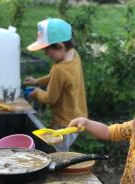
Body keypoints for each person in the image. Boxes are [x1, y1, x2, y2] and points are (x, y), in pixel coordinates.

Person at [23, 17, 88, 152]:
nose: (45, 53)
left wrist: (36, 92)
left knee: (57, 154)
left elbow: (49, 99)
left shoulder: (60, 69)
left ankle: (64, 171)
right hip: (78, 117)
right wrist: (37, 81)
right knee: (59, 150)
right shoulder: (73, 56)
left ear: (60, 46)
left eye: (46, 50)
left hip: (64, 125)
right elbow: (56, 78)